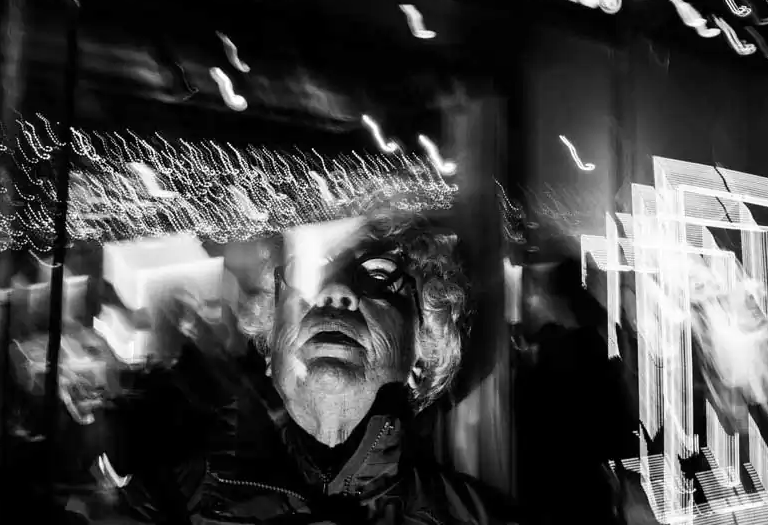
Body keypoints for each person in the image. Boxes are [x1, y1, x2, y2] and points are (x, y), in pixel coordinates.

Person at [98, 210, 516, 525]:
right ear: (270, 348)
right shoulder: (167, 501)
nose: (332, 290)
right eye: (311, 272)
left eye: (377, 273)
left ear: (422, 355)